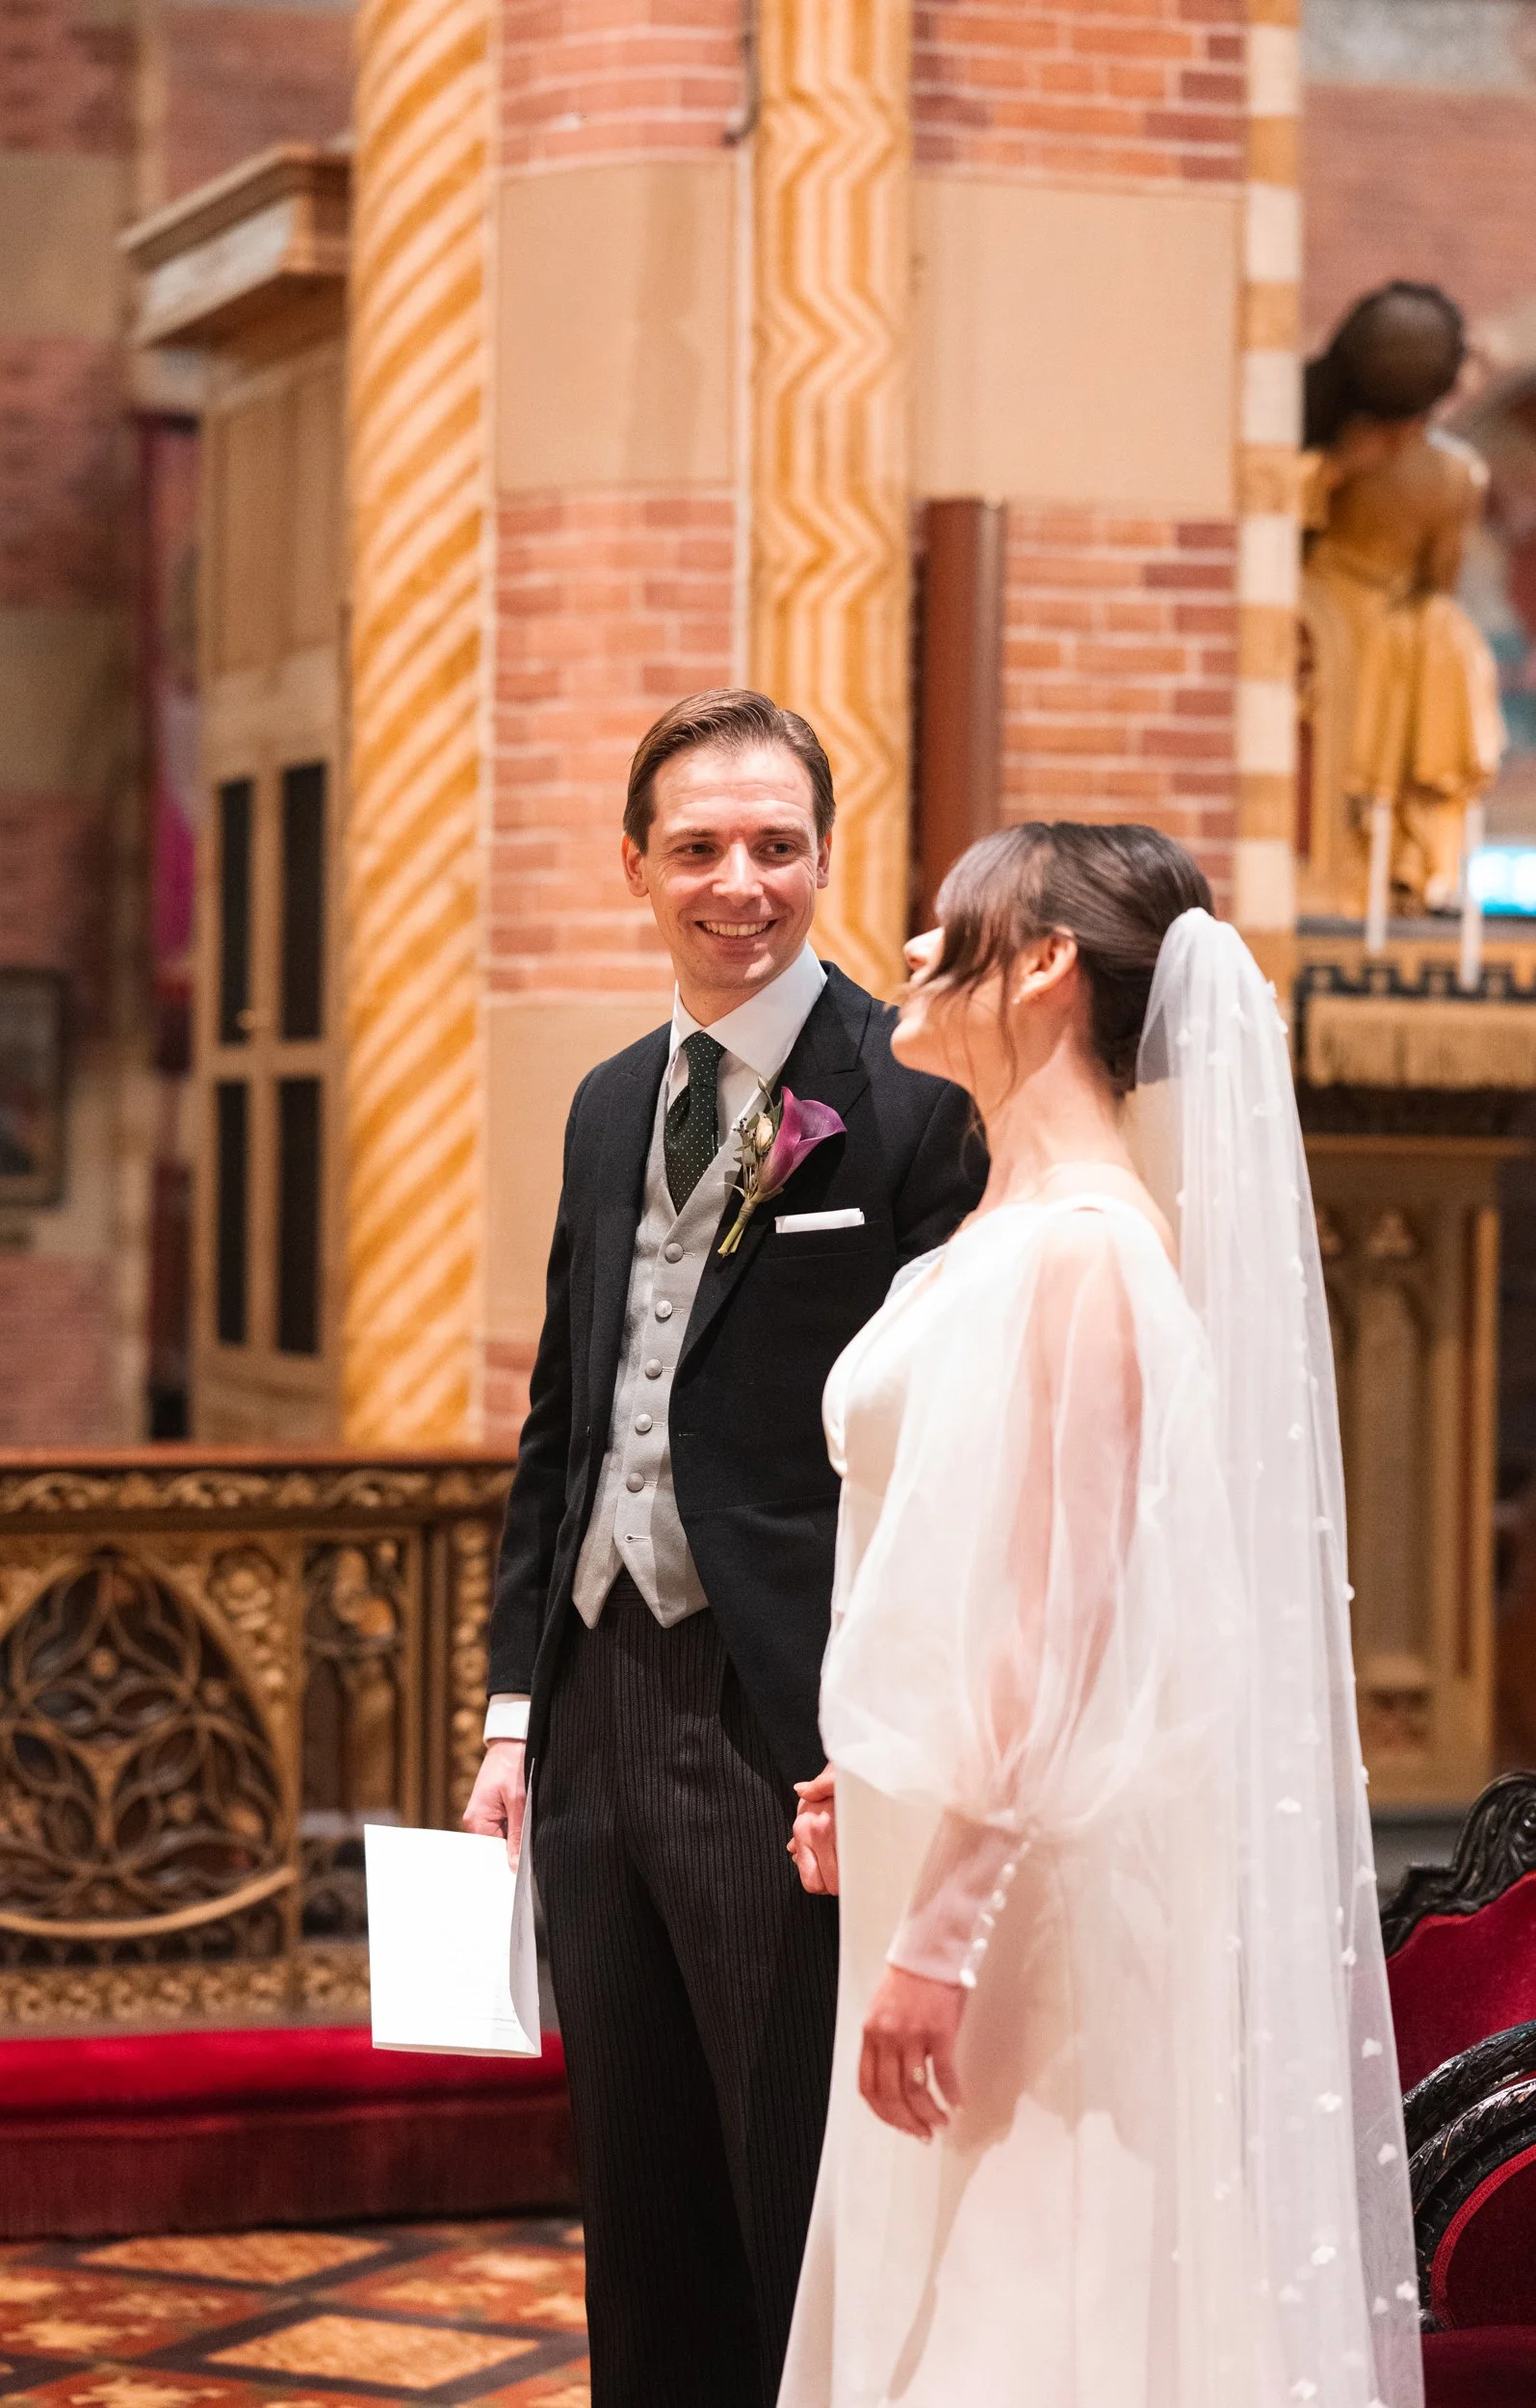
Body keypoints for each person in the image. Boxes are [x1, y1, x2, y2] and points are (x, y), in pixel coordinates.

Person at [780, 822, 1423, 2408]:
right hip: (946, 1843)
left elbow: (1061, 1627)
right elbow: (955, 1561)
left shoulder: (1091, 1259)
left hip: (1023, 1912)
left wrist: (939, 1937)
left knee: (1024, 2292)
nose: (910, 965)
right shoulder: (996, 1235)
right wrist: (862, 1773)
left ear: (1046, 965)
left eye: (949, 936)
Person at [463, 689, 983, 2408]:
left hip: (788, 1720)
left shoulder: (906, 1100)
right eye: (697, 847)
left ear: (827, 857)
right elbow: (565, 1416)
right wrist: (512, 1718)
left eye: (776, 846)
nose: (737, 881)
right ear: (636, 865)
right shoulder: (611, 1103)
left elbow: (949, 1458)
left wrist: (878, 1742)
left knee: (786, 2176)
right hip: (597, 1702)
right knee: (633, 2180)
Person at [1300, 280, 1503, 914]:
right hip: (1395, 633)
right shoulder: (1452, 474)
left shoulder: (1318, 452)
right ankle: (1413, 865)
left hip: (1317, 611)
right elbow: (1439, 576)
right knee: (1444, 640)